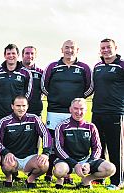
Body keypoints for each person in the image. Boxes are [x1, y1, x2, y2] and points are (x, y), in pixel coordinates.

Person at [42, 40, 93, 184]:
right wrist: (54, 99)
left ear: (77, 50)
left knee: (69, 143)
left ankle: (67, 174)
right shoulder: (52, 66)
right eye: (66, 48)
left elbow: (90, 87)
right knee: (51, 142)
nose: (69, 50)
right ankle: (49, 172)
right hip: (55, 111)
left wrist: (77, 103)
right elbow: (44, 87)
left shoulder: (84, 67)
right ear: (62, 49)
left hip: (74, 112)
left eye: (72, 48)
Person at [53, 98, 116, 189]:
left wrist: (89, 163)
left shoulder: (91, 126)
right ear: (70, 109)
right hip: (67, 161)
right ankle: (61, 179)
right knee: (59, 171)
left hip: (85, 161)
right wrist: (74, 164)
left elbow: (97, 148)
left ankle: (86, 180)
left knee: (111, 168)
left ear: (86, 110)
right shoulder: (62, 126)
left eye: (81, 109)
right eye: (76, 108)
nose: (79, 112)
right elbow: (58, 148)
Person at [0, 96, 52, 188]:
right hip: (12, 157)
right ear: (12, 106)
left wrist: (45, 153)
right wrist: (6, 152)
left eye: (23, 105)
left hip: (30, 158)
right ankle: (9, 178)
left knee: (44, 165)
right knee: (7, 165)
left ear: (27, 106)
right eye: (18, 106)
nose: (21, 108)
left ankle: (30, 179)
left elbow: (46, 135)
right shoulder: (4, 121)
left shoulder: (34, 119)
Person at [92, 38, 124, 190]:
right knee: (98, 147)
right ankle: (101, 177)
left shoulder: (121, 65)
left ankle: (118, 181)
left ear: (115, 48)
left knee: (115, 148)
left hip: (116, 113)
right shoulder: (97, 66)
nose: (105, 50)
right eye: (103, 48)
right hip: (97, 112)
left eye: (108, 47)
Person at [0, 44, 33, 126]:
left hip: (17, 115)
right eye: (8, 54)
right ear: (4, 55)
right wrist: (1, 101)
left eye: (13, 53)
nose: (11, 56)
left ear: (18, 55)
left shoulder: (26, 73)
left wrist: (19, 107)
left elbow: (28, 93)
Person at [21, 46, 45, 117]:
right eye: (27, 53)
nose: (30, 56)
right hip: (18, 111)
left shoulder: (40, 72)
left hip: (35, 111)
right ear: (22, 55)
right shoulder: (16, 70)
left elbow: (44, 90)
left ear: (35, 56)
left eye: (32, 53)